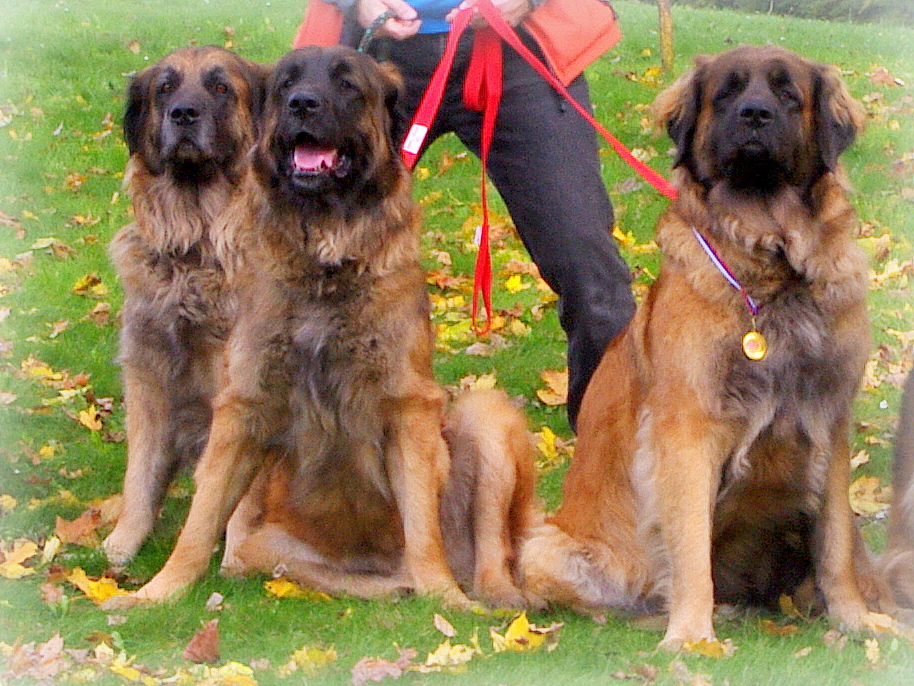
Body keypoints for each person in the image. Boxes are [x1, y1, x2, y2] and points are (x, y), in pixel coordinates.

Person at [322, 0, 636, 430]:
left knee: (587, 265)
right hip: (371, 53)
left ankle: (609, 455)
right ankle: (310, 446)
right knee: (312, 254)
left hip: (517, 48)